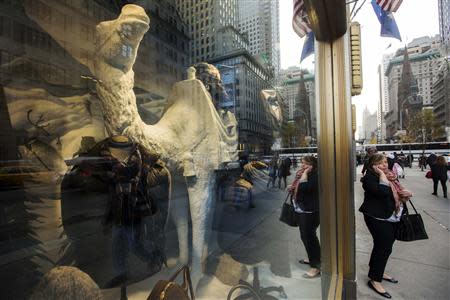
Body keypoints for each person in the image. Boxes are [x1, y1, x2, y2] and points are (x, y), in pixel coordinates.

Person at [359, 153, 413, 299]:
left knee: (383, 246)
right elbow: (383, 191)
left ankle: (377, 271)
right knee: (384, 247)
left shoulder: (391, 175)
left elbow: (393, 193)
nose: (384, 165)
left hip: (392, 216)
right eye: (380, 163)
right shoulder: (369, 178)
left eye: (385, 162)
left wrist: (405, 194)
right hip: (377, 217)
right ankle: (375, 280)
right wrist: (381, 174)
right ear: (373, 165)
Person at [293, 156, 320, 279]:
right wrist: (293, 188)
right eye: (302, 163)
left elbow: (305, 188)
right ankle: (313, 258)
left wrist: (304, 174)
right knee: (307, 236)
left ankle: (316, 266)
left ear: (312, 165)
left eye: (305, 163)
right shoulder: (304, 174)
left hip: (310, 211)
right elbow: (301, 188)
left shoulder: (314, 175)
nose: (302, 165)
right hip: (303, 209)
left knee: (309, 237)